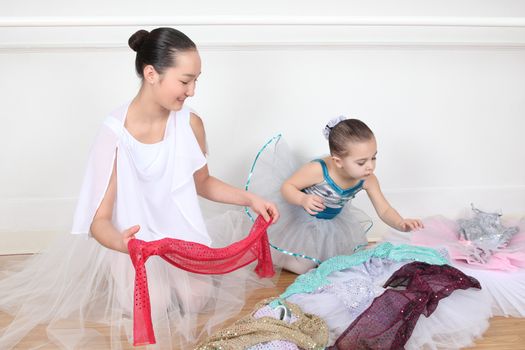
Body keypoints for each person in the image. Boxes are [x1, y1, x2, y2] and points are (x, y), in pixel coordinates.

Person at [0, 27, 278, 349]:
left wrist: (251, 199)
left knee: (196, 300)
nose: (192, 91)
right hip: (135, 241)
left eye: (196, 80)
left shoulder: (190, 124)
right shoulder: (114, 134)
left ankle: (172, 276)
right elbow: (99, 219)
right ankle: (117, 274)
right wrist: (121, 243)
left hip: (176, 235)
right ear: (151, 74)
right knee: (155, 306)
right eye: (185, 81)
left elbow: (202, 182)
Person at [246, 116, 422, 274]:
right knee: (301, 268)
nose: (370, 166)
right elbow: (287, 187)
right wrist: (303, 199)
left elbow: (384, 209)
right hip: (302, 219)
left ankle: (316, 255)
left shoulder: (368, 179)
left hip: (332, 223)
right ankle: (276, 253)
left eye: (373, 158)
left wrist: (400, 222)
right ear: (338, 161)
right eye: (362, 162)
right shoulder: (318, 170)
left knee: (340, 262)